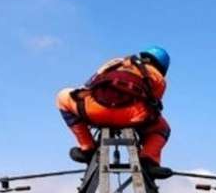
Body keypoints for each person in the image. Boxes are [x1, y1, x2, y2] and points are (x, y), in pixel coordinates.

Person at [56, 46, 173, 178]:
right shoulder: (159, 78)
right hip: (131, 117)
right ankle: (148, 161)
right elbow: (153, 105)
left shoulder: (116, 62)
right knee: (163, 128)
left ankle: (87, 147)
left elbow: (88, 86)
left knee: (62, 97)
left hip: (97, 111)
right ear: (163, 67)